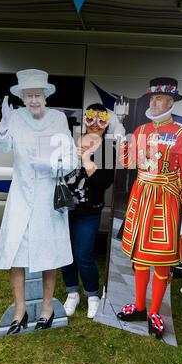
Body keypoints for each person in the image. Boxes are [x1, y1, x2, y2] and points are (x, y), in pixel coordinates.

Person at [0, 69, 77, 334]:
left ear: (45, 96)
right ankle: (20, 310)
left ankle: (46, 308)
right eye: (28, 95)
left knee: (48, 255)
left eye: (37, 95)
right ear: (22, 97)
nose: (33, 100)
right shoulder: (15, 118)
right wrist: (4, 125)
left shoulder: (58, 119)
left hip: (47, 197)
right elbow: (0, 148)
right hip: (20, 195)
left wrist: (52, 164)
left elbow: (72, 160)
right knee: (15, 254)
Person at [117, 78, 182, 339]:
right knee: (139, 258)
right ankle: (140, 307)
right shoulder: (141, 131)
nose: (154, 102)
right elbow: (129, 163)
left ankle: (154, 312)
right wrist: (121, 139)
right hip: (141, 196)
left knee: (161, 262)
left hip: (165, 201)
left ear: (171, 102)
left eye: (160, 99)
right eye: (152, 98)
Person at [62, 103, 123, 319]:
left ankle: (92, 295)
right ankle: (72, 293)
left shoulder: (107, 149)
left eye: (101, 120)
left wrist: (87, 159)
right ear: (85, 120)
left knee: (83, 253)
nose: (96, 124)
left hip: (89, 211)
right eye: (90, 119)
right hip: (64, 209)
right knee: (65, 253)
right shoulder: (70, 143)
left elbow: (103, 183)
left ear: (107, 124)